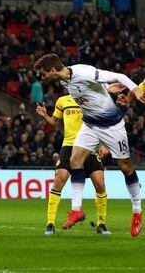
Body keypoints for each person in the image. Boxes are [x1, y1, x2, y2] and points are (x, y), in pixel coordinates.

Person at [34, 53, 145, 237]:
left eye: (44, 74)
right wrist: (107, 89)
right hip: (90, 125)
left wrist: (136, 89)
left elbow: (120, 76)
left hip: (111, 126)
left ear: (52, 70)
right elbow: (89, 90)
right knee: (75, 160)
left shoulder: (83, 72)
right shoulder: (64, 82)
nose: (43, 78)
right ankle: (77, 210)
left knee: (125, 166)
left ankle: (136, 211)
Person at [36, 98, 110, 235]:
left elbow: (102, 123)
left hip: (89, 145)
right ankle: (50, 223)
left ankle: (101, 223)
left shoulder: (91, 98)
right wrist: (45, 115)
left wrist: (103, 143)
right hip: (69, 145)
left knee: (100, 182)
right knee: (59, 179)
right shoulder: (62, 101)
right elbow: (54, 122)